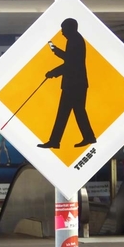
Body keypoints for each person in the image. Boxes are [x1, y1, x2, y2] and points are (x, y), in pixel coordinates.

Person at [38, 18, 96, 149]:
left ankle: (55, 141)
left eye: (63, 29)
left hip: (73, 84)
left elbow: (71, 64)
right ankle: (88, 137)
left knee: (64, 113)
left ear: (70, 29)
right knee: (77, 111)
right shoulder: (75, 40)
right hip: (78, 83)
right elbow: (70, 58)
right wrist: (56, 50)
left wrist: (53, 72)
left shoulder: (74, 41)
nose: (62, 33)